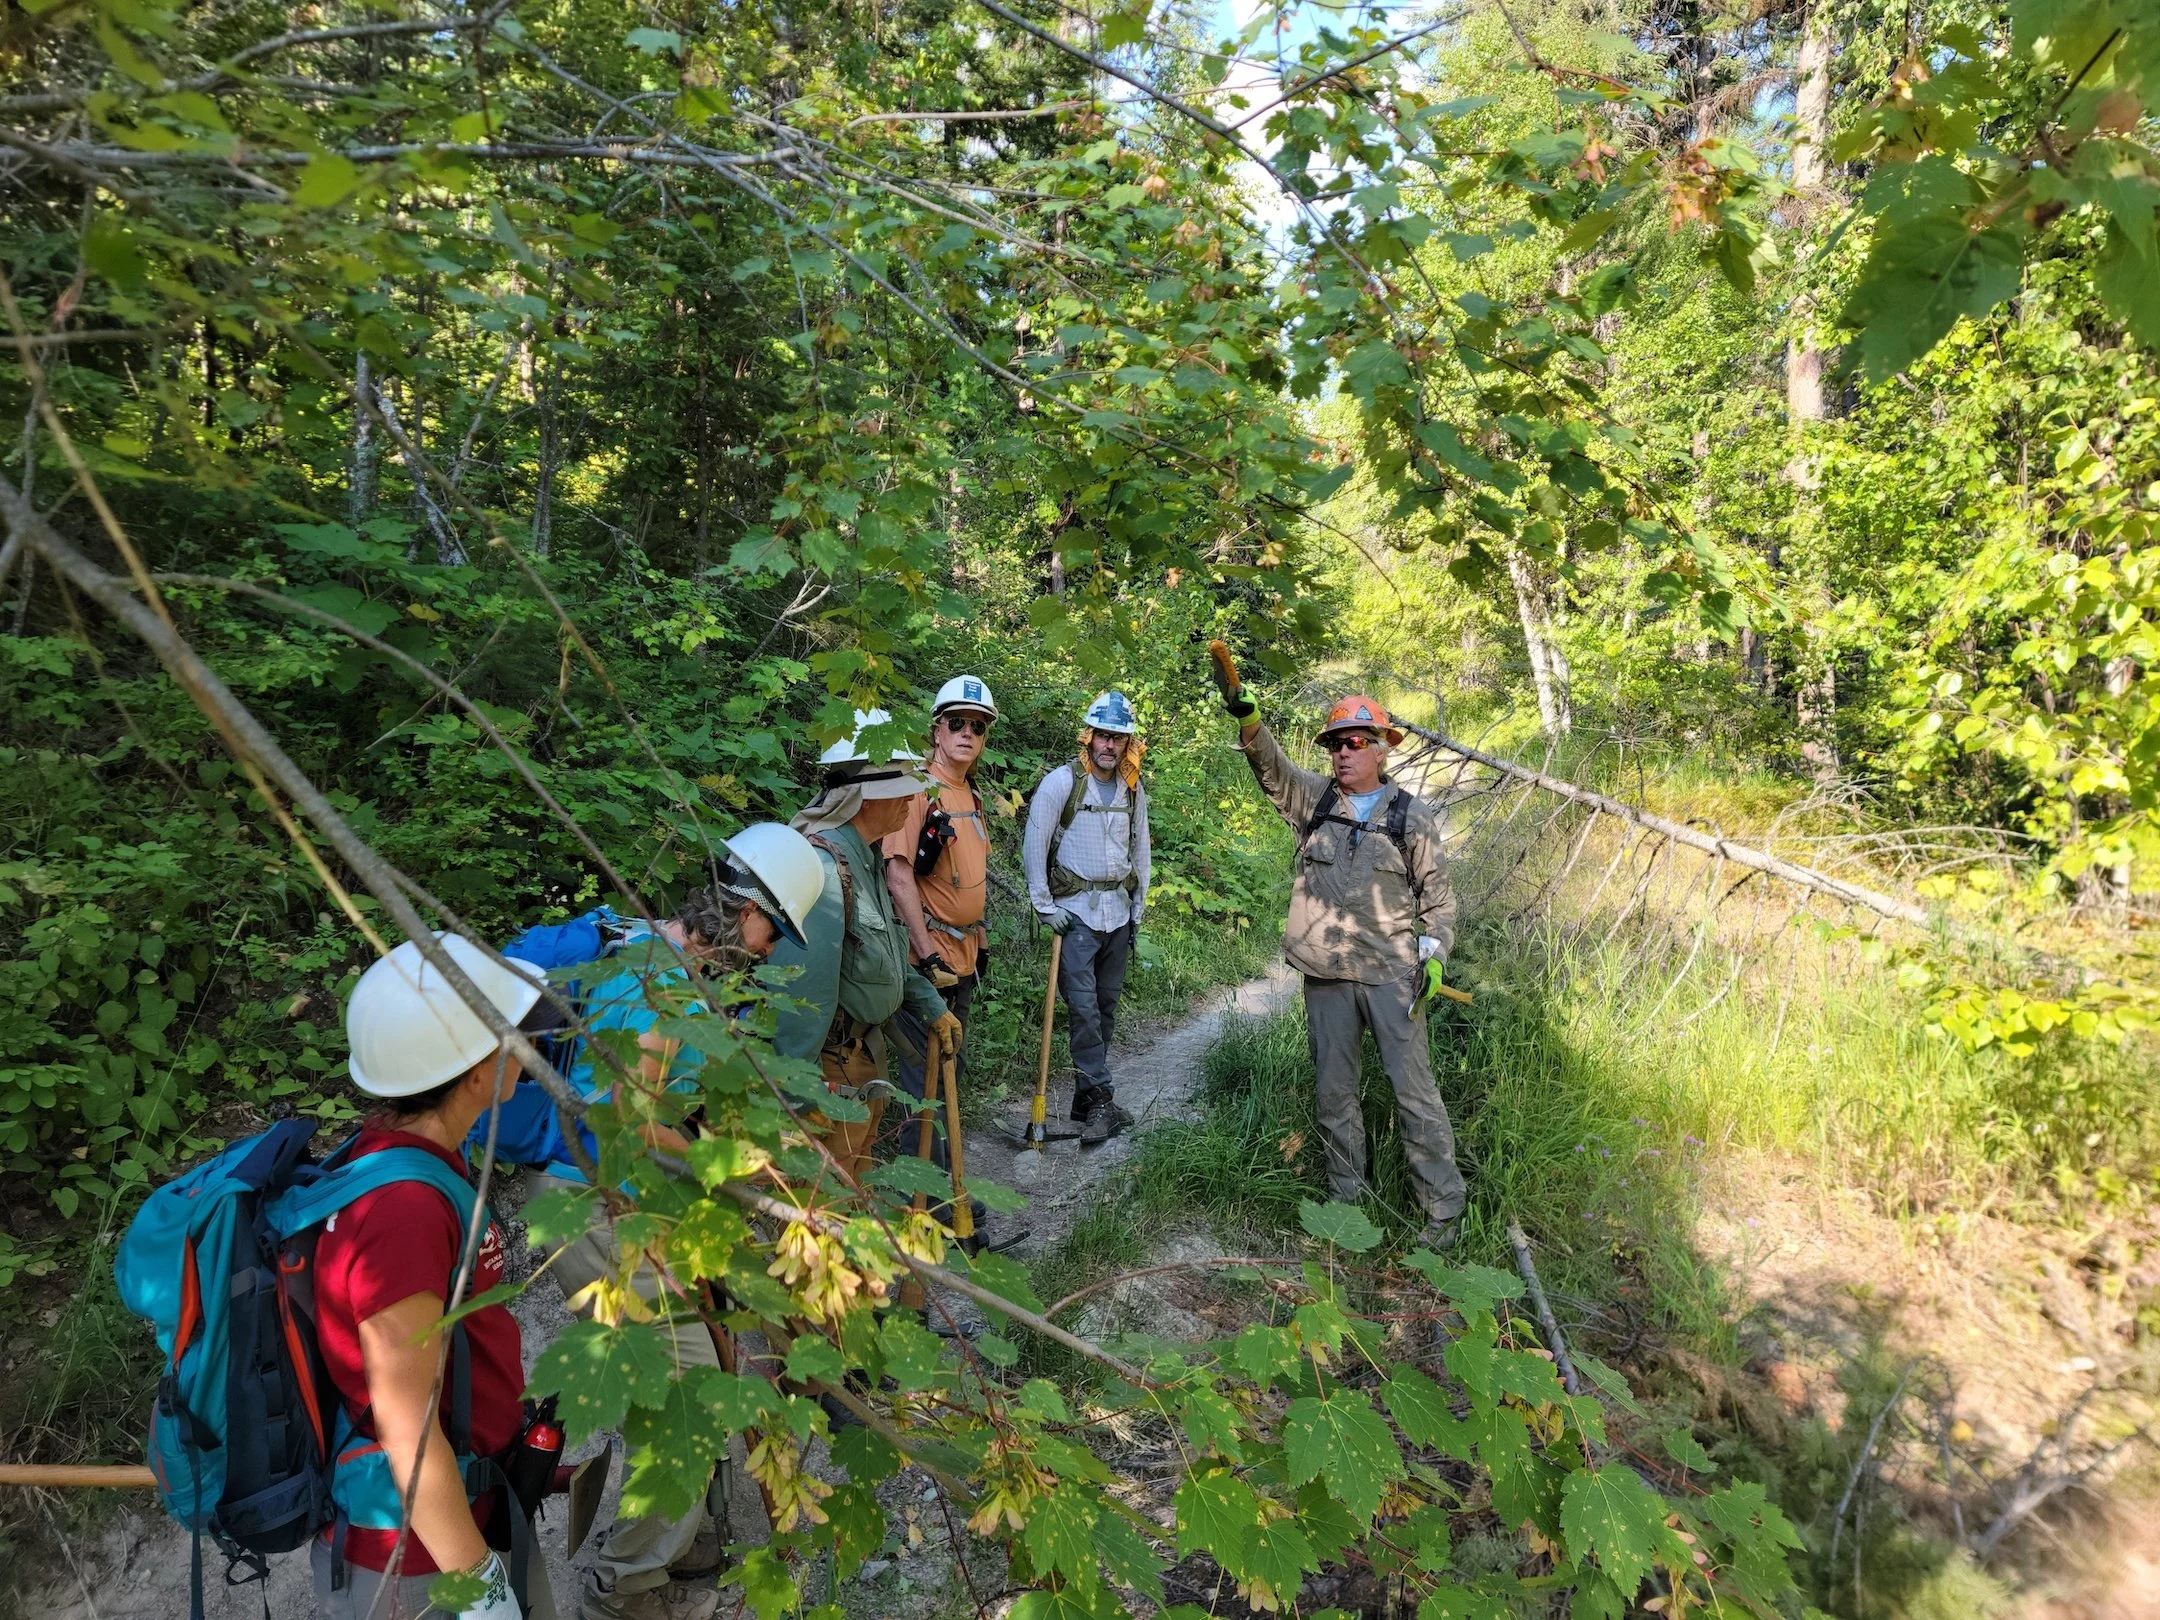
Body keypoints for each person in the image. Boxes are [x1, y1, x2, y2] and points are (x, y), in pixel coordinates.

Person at [528, 824, 824, 1620]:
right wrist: (732, 1163)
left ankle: (682, 1541)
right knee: (691, 1393)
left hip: (620, 1200)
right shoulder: (661, 981)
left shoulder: (651, 953)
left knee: (686, 1376)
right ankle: (622, 1589)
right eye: (773, 931)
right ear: (744, 906)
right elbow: (630, 1112)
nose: (770, 952)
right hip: (591, 1203)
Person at [316, 932, 551, 1620]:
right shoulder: (404, 1212)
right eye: (512, 1032)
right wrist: (478, 1586)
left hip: (462, 1517)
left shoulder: (407, 1159)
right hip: (416, 1561)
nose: (525, 1044)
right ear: (475, 1071)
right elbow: (406, 1426)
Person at [1215, 673, 1465, 1249]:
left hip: (1392, 979)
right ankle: (1347, 1203)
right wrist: (1250, 723)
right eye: (1335, 742)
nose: (1344, 752)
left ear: (1381, 747)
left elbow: (1439, 902)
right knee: (1334, 1093)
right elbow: (1271, 769)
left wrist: (1434, 953)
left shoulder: (1411, 816)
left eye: (1356, 742)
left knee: (1414, 1093)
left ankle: (1443, 1214)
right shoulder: (1315, 800)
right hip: (1326, 976)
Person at [768, 709, 965, 1180]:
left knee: (855, 1194)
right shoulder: (824, 868)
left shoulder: (866, 860)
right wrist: (796, 1101)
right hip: (828, 1077)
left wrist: (930, 1004)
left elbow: (889, 953)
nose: (913, 797)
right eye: (900, 787)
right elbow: (802, 998)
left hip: (863, 1063)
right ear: (863, 797)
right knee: (826, 1206)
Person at [1022, 691, 1151, 1145]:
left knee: (1106, 1007)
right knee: (1083, 1011)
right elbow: (1034, 844)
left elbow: (1141, 853)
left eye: (1117, 737)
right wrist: (1045, 907)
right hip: (1074, 917)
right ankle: (1101, 1099)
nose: (1109, 745)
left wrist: (1138, 911)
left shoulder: (1133, 789)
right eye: (1102, 735)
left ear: (1126, 742)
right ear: (1089, 737)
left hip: (1118, 914)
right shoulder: (1062, 783)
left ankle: (1083, 1095)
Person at [882, 676, 996, 1171]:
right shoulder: (917, 792)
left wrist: (981, 938)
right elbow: (898, 874)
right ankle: (926, 1199)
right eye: (956, 723)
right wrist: (926, 954)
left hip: (963, 958)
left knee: (950, 1068)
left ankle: (945, 1180)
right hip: (928, 964)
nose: (967, 733)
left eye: (977, 726)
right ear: (936, 731)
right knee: (924, 1078)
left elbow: (970, 878)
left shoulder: (970, 795)